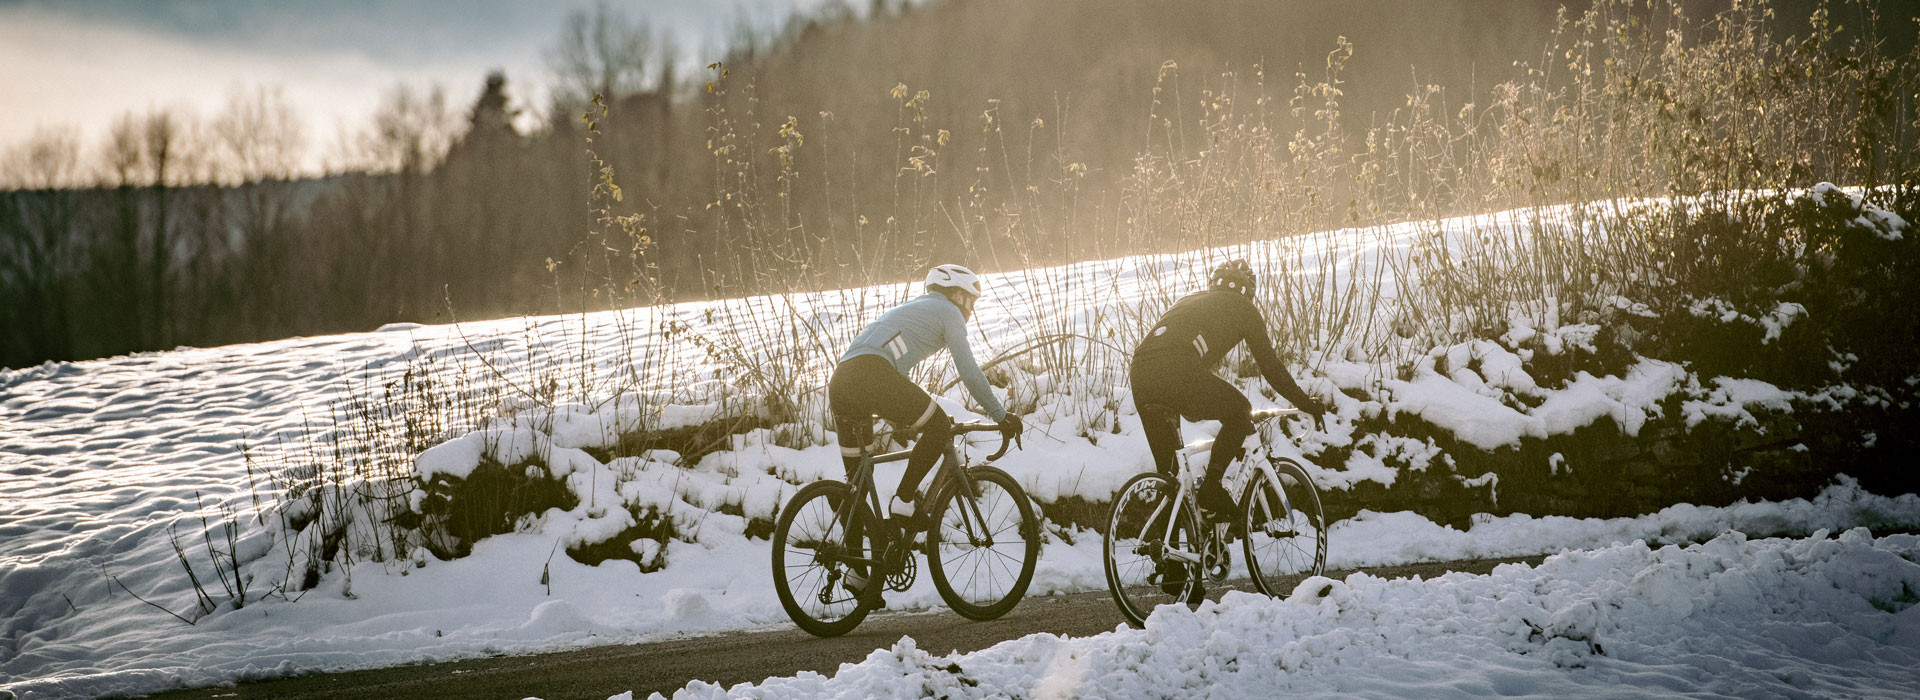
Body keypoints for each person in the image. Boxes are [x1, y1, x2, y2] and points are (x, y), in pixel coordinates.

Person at [829, 264, 1022, 599]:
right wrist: (1000, 415)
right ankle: (904, 501)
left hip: (842, 381)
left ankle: (859, 574)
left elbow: (890, 373)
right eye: (972, 301)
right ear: (959, 295)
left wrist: (903, 416)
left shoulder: (914, 308)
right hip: (873, 375)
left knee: (856, 484)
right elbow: (970, 371)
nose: (972, 310)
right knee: (939, 427)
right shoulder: (949, 312)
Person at [1130, 259, 1324, 525]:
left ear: (1214, 285)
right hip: (1177, 368)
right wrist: (1305, 402)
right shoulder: (1245, 308)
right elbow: (1270, 367)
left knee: (1171, 479)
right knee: (1239, 410)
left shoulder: (1188, 301)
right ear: (1248, 292)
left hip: (1140, 373)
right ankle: (1212, 487)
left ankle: (1170, 561)